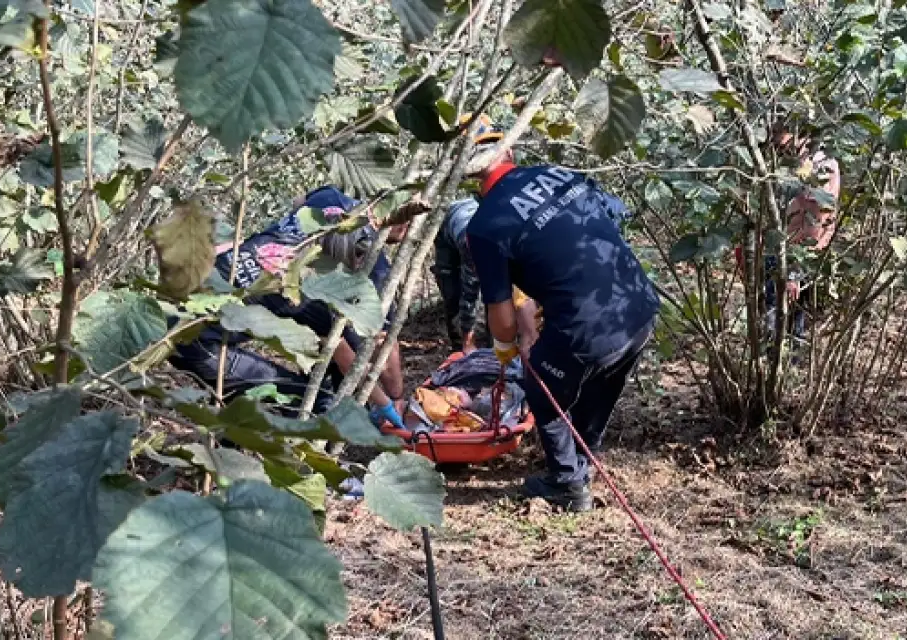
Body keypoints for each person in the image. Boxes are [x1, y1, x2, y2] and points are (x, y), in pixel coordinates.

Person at [462, 122, 660, 512]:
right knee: (603, 376)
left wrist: (507, 350)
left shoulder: (484, 226)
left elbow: (501, 322)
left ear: (468, 177)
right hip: (638, 303)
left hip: (587, 325)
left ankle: (568, 484)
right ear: (510, 152)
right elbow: (606, 223)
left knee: (539, 383)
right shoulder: (559, 173)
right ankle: (583, 457)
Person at [168, 185, 407, 428]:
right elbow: (346, 357)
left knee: (264, 393)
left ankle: (229, 448)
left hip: (179, 307)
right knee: (309, 402)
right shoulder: (301, 292)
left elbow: (298, 200)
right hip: (194, 341)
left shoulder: (306, 225)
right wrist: (386, 404)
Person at [735, 114, 841, 341]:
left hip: (799, 253)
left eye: (777, 134)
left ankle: (788, 366)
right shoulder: (779, 160)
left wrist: (794, 270)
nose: (773, 140)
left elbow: (817, 221)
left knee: (790, 317)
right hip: (774, 247)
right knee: (768, 313)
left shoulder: (821, 165)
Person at [434, 195, 541, 352]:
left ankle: (494, 344)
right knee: (453, 295)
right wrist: (468, 341)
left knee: (501, 295)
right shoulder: (475, 248)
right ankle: (459, 348)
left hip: (480, 225)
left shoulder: (522, 245)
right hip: (450, 227)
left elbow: (522, 296)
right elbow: (468, 295)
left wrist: (527, 336)